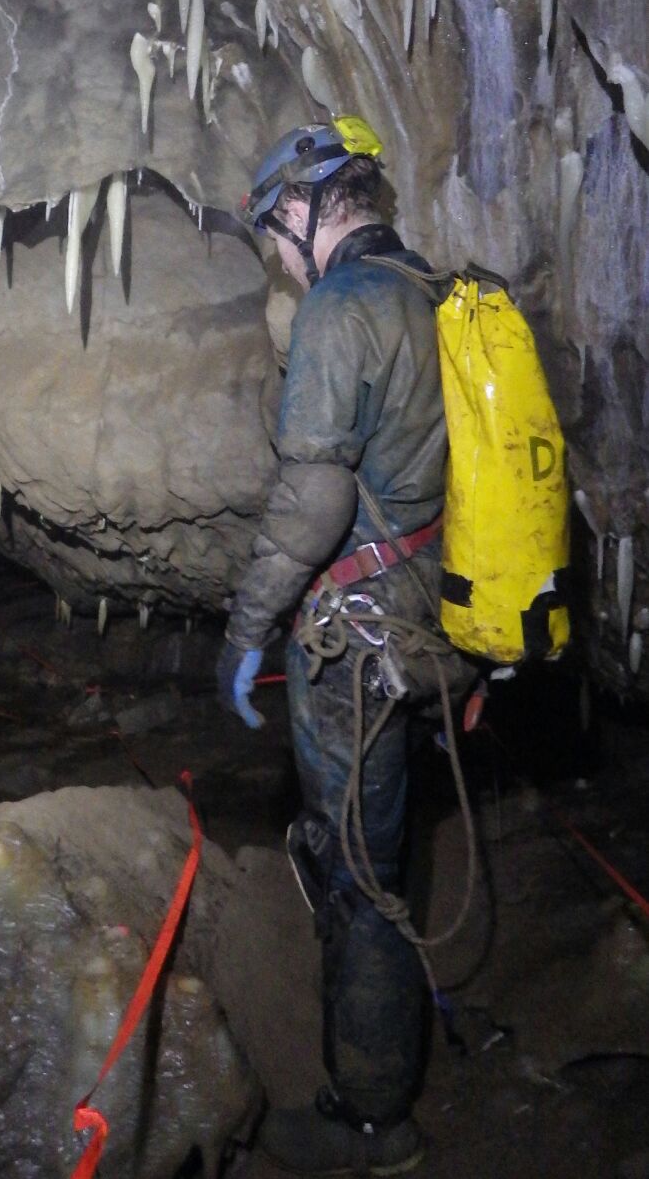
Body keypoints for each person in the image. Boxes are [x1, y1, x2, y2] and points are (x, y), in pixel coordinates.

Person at [218, 120, 474, 1176]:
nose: (279, 260)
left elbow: (314, 496)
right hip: (425, 623)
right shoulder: (435, 293)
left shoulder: (340, 310)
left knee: (362, 874)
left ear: (303, 206)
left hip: (356, 645)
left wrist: (246, 626)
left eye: (273, 235)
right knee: (378, 836)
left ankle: (369, 1120)